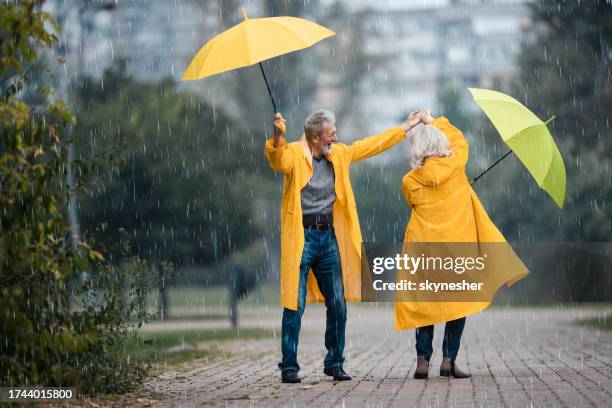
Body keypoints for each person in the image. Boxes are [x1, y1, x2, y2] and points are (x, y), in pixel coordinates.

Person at [266, 109, 422, 383]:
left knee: (337, 303)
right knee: (294, 303)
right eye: (331, 133)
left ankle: (334, 362)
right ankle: (289, 366)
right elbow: (277, 160)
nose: (335, 137)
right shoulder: (294, 153)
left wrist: (406, 127)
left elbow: (370, 145)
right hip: (301, 238)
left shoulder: (338, 154)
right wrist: (278, 135)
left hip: (328, 239)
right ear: (315, 137)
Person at [396, 110, 511, 379]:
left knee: (425, 303)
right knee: (457, 302)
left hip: (424, 249)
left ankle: (422, 359)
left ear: (418, 148)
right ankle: (449, 359)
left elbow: (413, 202)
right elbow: (460, 141)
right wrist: (433, 120)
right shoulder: (457, 167)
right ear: (440, 144)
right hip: (456, 248)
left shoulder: (409, 181)